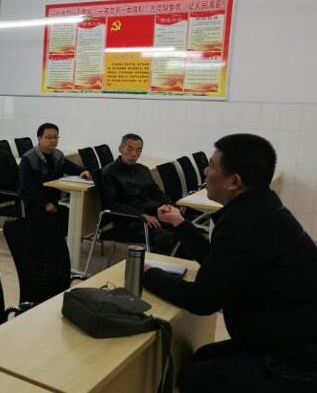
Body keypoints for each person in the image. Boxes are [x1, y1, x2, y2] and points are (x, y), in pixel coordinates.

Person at [143, 133, 317, 393]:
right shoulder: (261, 205)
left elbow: (202, 300)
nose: (205, 171)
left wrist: (148, 274)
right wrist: (180, 223)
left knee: (195, 377)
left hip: (296, 360)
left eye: (212, 166)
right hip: (286, 338)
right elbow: (222, 263)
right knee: (202, 359)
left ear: (234, 181)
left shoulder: (245, 222)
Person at [100, 133, 176, 254]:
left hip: (152, 212)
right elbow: (111, 204)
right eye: (129, 149)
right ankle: (153, 265)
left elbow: (156, 192)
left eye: (138, 150)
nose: (134, 154)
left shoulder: (143, 169)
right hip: (130, 219)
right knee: (165, 238)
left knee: (184, 229)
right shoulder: (109, 172)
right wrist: (141, 215)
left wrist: (169, 205)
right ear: (120, 149)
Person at [19, 123, 90, 222]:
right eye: (48, 137)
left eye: (55, 137)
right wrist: (45, 204)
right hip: (36, 203)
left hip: (55, 200)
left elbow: (71, 167)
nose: (53, 140)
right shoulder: (28, 158)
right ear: (39, 138)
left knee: (76, 216)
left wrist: (83, 171)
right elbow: (26, 187)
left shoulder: (57, 155)